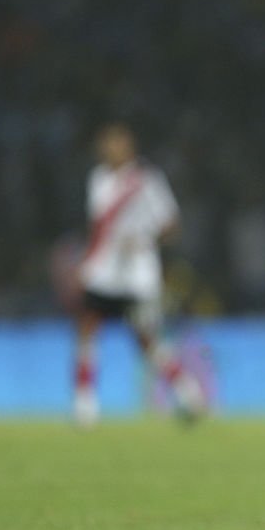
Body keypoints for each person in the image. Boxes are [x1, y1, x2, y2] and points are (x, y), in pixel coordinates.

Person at [74, 122, 206, 427]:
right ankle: (85, 405)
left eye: (116, 143)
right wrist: (88, 262)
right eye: (106, 144)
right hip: (104, 272)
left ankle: (188, 394)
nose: (110, 149)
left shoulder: (147, 180)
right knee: (87, 330)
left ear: (129, 147)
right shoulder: (98, 179)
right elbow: (96, 227)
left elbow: (171, 223)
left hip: (137, 275)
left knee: (145, 337)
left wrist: (144, 239)